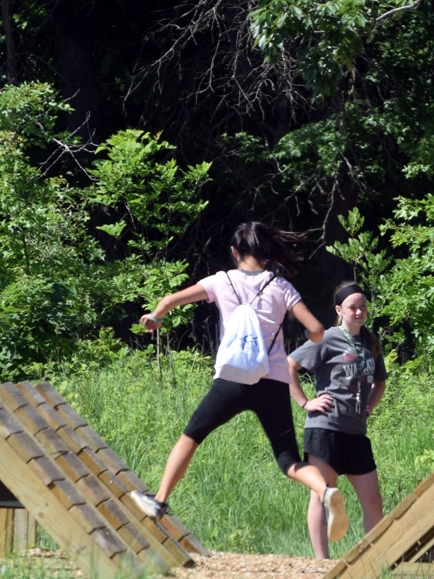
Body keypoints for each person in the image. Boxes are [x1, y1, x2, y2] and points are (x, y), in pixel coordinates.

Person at [130, 223, 349, 544]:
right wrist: (307, 337)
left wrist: (156, 318)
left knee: (191, 436)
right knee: (288, 460)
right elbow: (316, 329)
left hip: (231, 381)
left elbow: (169, 300)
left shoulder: (222, 281)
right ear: (265, 253)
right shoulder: (281, 286)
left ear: (235, 252)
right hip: (273, 383)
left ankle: (159, 500)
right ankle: (325, 490)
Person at [286, 282, 388, 559]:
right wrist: (306, 402)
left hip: (356, 432)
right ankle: (322, 562)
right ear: (339, 310)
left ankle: (372, 562)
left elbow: (380, 382)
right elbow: (290, 366)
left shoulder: (371, 342)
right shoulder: (328, 338)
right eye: (353, 307)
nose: (359, 312)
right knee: (323, 495)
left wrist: (368, 407)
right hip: (325, 427)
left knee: (373, 501)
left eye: (363, 307)